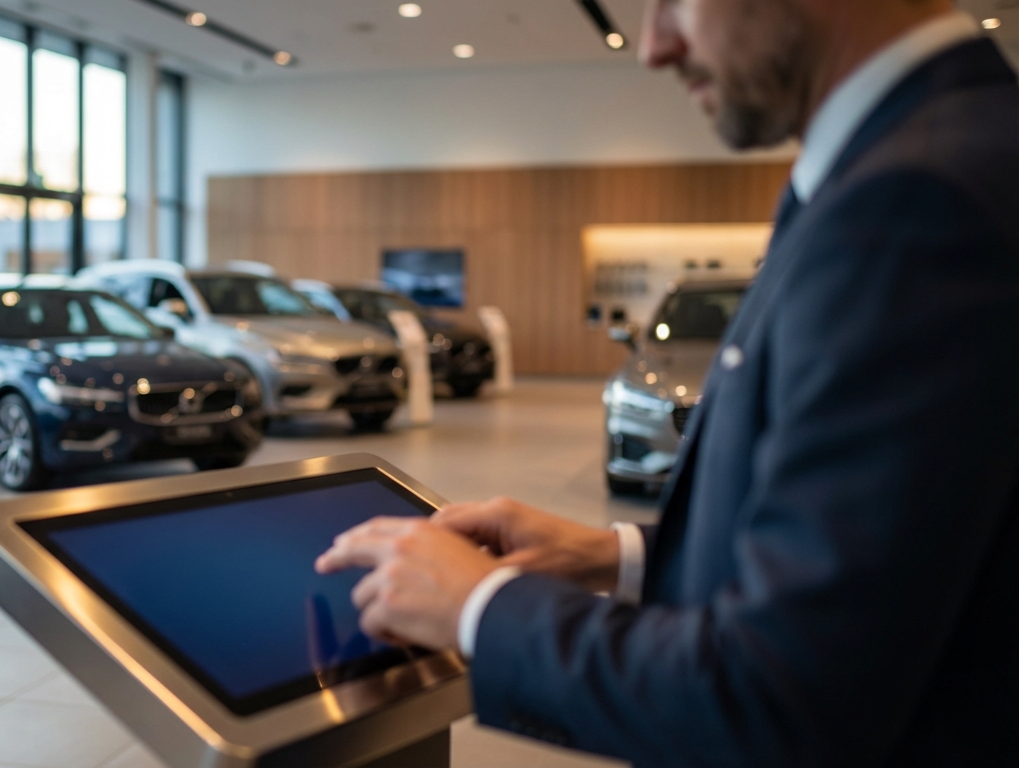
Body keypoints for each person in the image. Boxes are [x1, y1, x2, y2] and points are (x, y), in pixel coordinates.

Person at [315, 0, 1019, 764]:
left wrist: (481, 608)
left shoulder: (917, 200)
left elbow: (777, 704)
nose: (654, 46)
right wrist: (616, 557)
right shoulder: (925, 158)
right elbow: (897, 566)